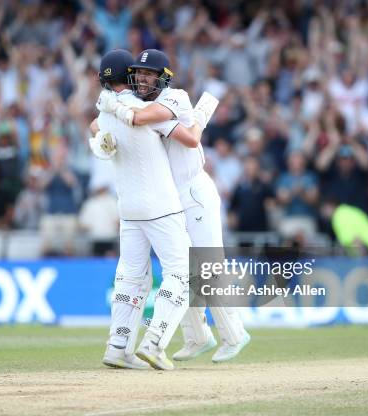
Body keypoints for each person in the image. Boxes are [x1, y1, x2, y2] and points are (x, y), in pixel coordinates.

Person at [96, 49, 250, 363]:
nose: (141, 78)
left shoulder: (175, 97)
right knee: (180, 268)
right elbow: (101, 123)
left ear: (163, 77)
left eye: (149, 74)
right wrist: (100, 129)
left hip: (194, 190)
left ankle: (234, 334)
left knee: (205, 265)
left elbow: (188, 138)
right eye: (138, 73)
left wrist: (110, 102)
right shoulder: (140, 102)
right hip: (168, 195)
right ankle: (197, 336)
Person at [90, 49, 194, 371]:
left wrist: (100, 132)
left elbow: (95, 127)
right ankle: (155, 342)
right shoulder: (148, 109)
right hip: (161, 205)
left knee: (130, 277)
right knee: (182, 271)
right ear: (130, 75)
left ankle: (118, 346)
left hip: (129, 208)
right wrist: (200, 117)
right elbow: (189, 139)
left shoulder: (105, 114)